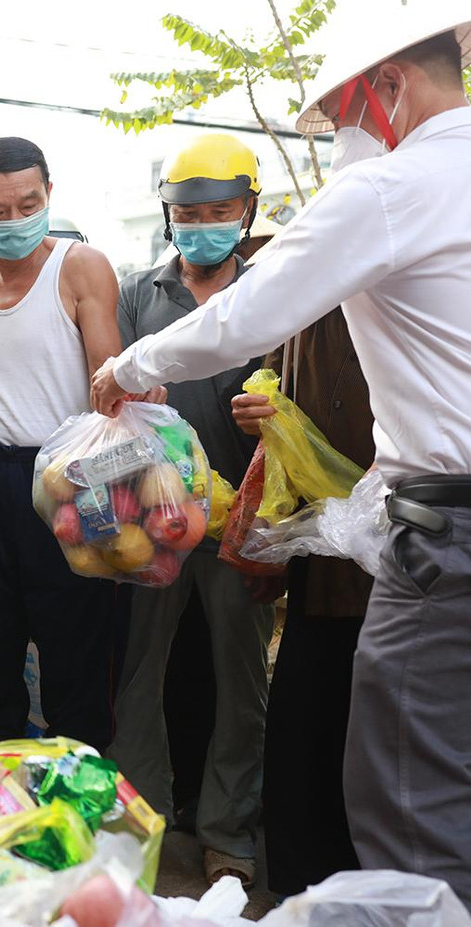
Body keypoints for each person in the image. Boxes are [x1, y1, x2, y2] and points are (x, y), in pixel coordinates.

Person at [90, 13, 471, 898]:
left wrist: (127, 367)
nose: (341, 141)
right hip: (432, 514)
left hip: (447, 530)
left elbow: (247, 312)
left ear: (387, 86)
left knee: (412, 795)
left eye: (341, 117)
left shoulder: (393, 187)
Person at [108, 134, 274, 889]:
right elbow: (108, 385)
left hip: (245, 519)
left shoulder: (274, 291)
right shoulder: (138, 294)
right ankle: (137, 822)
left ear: (247, 212)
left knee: (242, 682)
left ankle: (228, 831)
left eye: (219, 212)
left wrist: (273, 411)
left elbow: (300, 386)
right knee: (138, 676)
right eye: (188, 214)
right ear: (168, 215)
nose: (202, 225)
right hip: (153, 522)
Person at [0, 136, 139, 760]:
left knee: (79, 653)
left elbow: (108, 384)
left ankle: (78, 802)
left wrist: (138, 391)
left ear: (49, 195)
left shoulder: (81, 267)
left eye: (28, 205)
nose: (14, 220)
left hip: (71, 478)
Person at [245, 311, 374, 896]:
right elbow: (274, 403)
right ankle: (299, 885)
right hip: (316, 554)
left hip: (399, 549)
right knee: (306, 716)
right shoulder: (307, 306)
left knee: (373, 725)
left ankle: (365, 881)